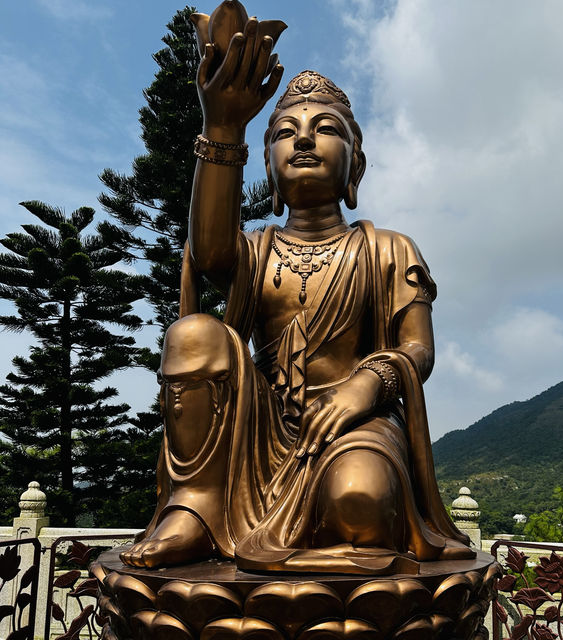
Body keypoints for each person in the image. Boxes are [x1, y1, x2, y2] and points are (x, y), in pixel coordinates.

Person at [120, 12, 473, 574]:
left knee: (358, 502)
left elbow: (417, 350)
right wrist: (223, 127)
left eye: (326, 128)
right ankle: (196, 508)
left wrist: (367, 384)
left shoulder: (389, 250)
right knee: (193, 333)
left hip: (351, 423)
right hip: (259, 429)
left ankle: (342, 553)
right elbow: (209, 252)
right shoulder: (255, 251)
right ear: (268, 166)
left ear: (354, 165)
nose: (304, 138)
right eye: (286, 132)